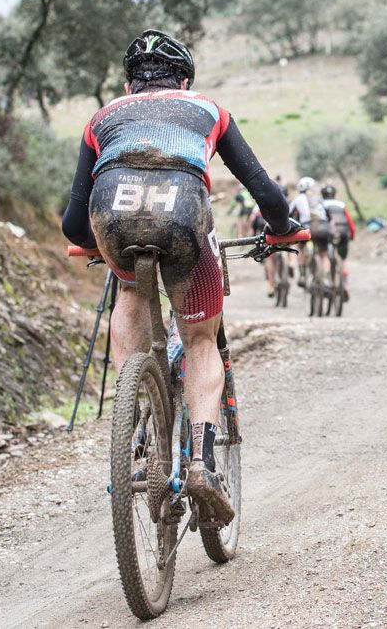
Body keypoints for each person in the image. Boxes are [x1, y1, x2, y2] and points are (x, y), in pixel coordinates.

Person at [61, 29, 300, 524]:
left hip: (114, 214)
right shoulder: (209, 110)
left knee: (128, 287)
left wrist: (93, 243)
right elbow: (264, 191)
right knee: (199, 339)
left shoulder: (102, 118)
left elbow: (71, 222)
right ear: (185, 81)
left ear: (130, 87)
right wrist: (283, 230)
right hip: (184, 216)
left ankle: (134, 418)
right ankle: (202, 463)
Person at [289, 177, 329, 287]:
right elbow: (328, 214)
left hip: (306, 228)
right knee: (324, 255)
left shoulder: (297, 199)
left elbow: (289, 214)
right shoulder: (319, 198)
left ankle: (302, 275)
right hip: (323, 227)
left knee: (300, 249)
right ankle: (326, 278)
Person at [320, 183, 356, 300]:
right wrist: (352, 235)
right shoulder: (341, 204)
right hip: (343, 232)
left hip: (328, 234)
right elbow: (350, 222)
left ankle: (326, 280)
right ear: (334, 194)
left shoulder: (321, 204)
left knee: (325, 256)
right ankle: (345, 284)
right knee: (343, 259)